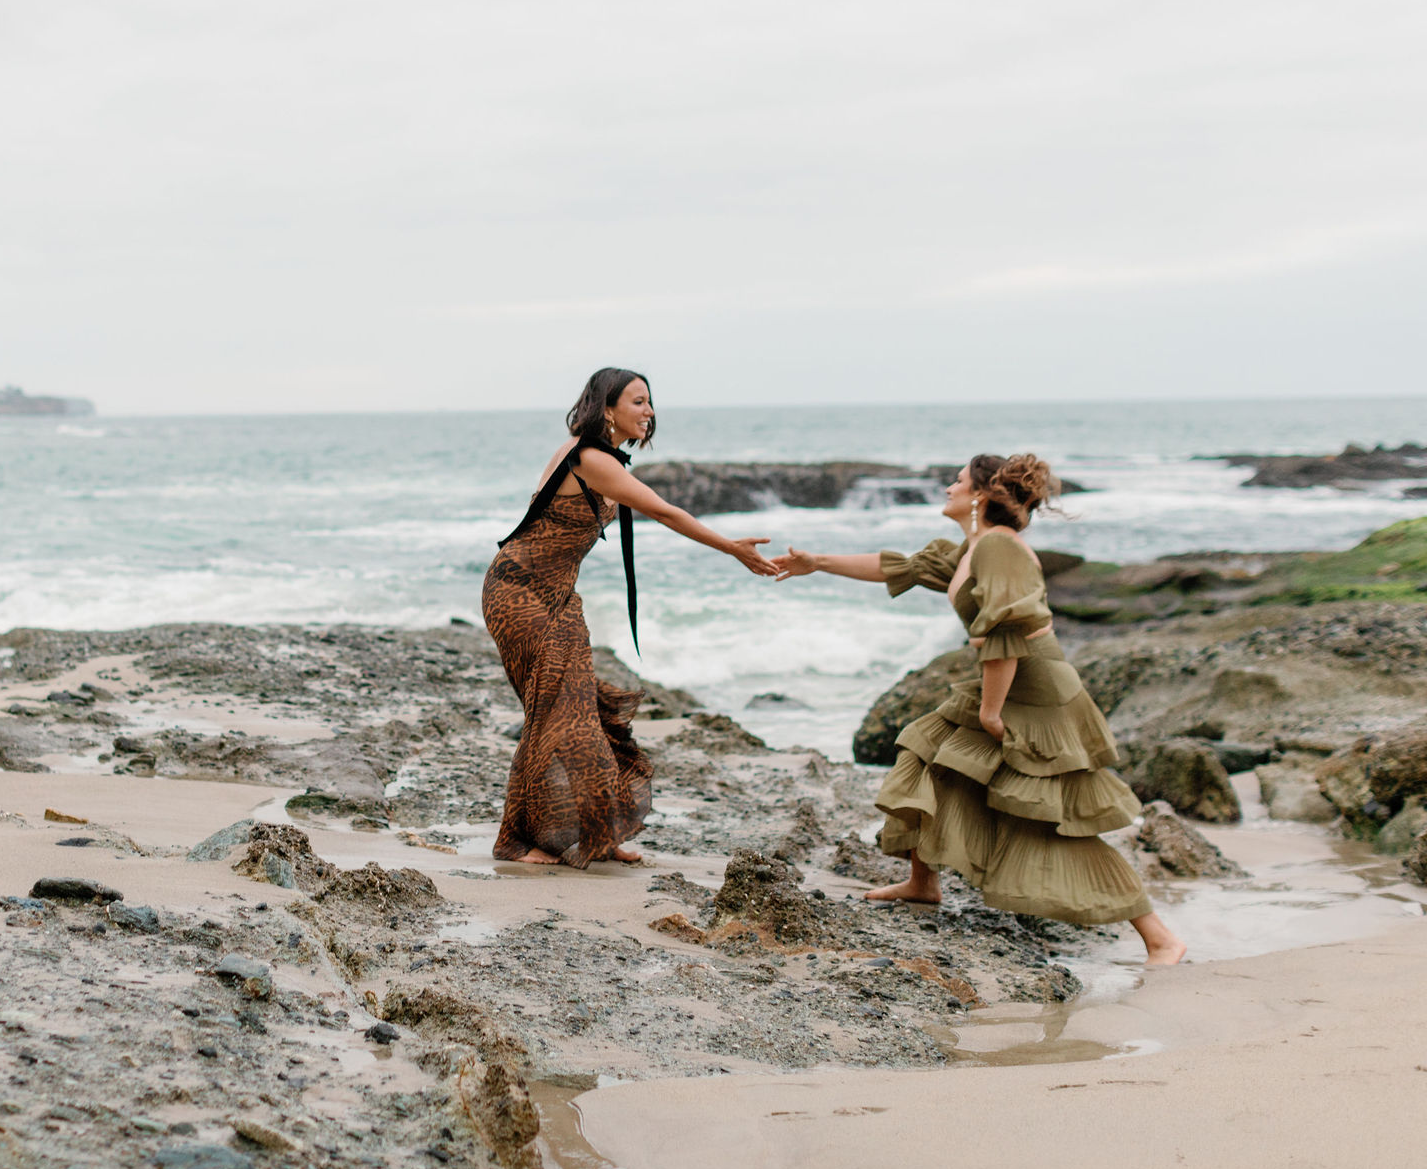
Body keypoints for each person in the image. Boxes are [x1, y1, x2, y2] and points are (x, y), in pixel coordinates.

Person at [772, 454, 1186, 965]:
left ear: (983, 496)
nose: (949, 486)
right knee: (925, 752)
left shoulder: (997, 549)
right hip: (1009, 684)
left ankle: (1160, 937)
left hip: (1036, 694)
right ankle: (922, 884)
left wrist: (991, 714)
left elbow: (1007, 631)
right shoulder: (975, 548)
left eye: (959, 481)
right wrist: (817, 563)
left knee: (1051, 820)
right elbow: (898, 566)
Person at [485, 367, 777, 868]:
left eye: (650, 402)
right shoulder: (591, 458)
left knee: (586, 714)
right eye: (638, 402)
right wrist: (730, 547)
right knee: (558, 716)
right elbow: (665, 512)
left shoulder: (598, 458)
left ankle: (599, 833)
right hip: (519, 592)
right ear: (608, 408)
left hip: (556, 595)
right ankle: (524, 840)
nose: (649, 411)